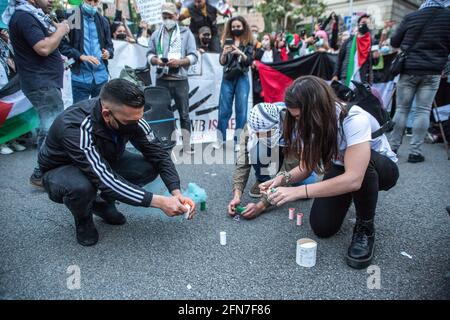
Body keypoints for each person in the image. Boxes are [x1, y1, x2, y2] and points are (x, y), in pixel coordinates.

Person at [38, 79, 196, 246]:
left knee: (149, 167)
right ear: (107, 114)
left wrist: (176, 192)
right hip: (62, 170)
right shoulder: (76, 127)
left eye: (139, 117)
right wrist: (159, 202)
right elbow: (104, 178)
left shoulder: (132, 118)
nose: (137, 125)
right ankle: (83, 219)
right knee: (82, 187)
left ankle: (102, 202)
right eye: (129, 122)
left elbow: (159, 154)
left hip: (104, 159)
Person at [262, 76, 399, 269]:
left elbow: (354, 178)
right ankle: (353, 195)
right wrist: (282, 179)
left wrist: (298, 192)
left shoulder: (353, 118)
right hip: (344, 168)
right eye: (294, 117)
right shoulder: (311, 123)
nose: (297, 122)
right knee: (322, 227)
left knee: (360, 171)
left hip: (381, 170)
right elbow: (306, 166)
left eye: (300, 117)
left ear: (316, 109)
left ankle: (365, 227)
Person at [5, 0, 70, 186]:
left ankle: (43, 171)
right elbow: (43, 47)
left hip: (44, 82)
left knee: (49, 125)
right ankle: (41, 173)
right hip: (41, 82)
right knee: (51, 126)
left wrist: (57, 29)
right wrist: (60, 31)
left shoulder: (31, 15)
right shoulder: (25, 16)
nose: (51, 1)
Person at [228, 102, 316, 219]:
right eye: (257, 134)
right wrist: (237, 194)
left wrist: (261, 205)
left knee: (306, 187)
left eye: (264, 133)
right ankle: (263, 180)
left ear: (275, 126)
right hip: (273, 151)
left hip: (291, 153)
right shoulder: (251, 124)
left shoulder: (294, 125)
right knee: (257, 149)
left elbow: (288, 167)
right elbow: (242, 162)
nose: (260, 137)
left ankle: (275, 184)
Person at [388, 0, 450, 163]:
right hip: (433, 71)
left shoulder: (412, 16)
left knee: (401, 109)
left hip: (409, 69)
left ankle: (393, 148)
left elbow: (394, 41)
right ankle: (415, 152)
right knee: (423, 110)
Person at [148, 2, 198, 155]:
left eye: (170, 16)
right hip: (162, 78)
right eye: (165, 17)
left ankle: (187, 144)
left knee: (184, 113)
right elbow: (149, 54)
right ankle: (163, 143)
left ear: (176, 16)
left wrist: (180, 62)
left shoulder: (186, 33)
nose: (167, 19)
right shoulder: (156, 34)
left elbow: (194, 56)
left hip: (180, 79)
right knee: (161, 112)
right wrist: (155, 60)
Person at [59, 0, 114, 104]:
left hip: (101, 77)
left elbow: (110, 46)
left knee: (100, 113)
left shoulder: (103, 21)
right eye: (89, 0)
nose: (92, 3)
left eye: (96, 1)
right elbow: (62, 45)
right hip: (80, 77)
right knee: (79, 114)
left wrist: (108, 53)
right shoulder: (72, 16)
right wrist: (80, 56)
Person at [214, 15, 253, 152]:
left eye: (238, 26)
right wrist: (224, 53)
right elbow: (222, 62)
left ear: (243, 27)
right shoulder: (226, 41)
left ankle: (239, 141)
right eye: (233, 26)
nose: (236, 29)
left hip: (242, 77)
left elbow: (249, 61)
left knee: (241, 110)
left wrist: (240, 52)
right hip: (228, 78)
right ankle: (220, 139)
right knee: (224, 110)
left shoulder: (248, 42)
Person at [332, 14, 375, 86]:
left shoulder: (371, 43)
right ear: (358, 24)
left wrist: (375, 56)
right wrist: (335, 75)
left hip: (362, 80)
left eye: (368, 23)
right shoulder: (349, 41)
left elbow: (373, 63)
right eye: (363, 23)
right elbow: (339, 58)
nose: (365, 25)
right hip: (346, 77)